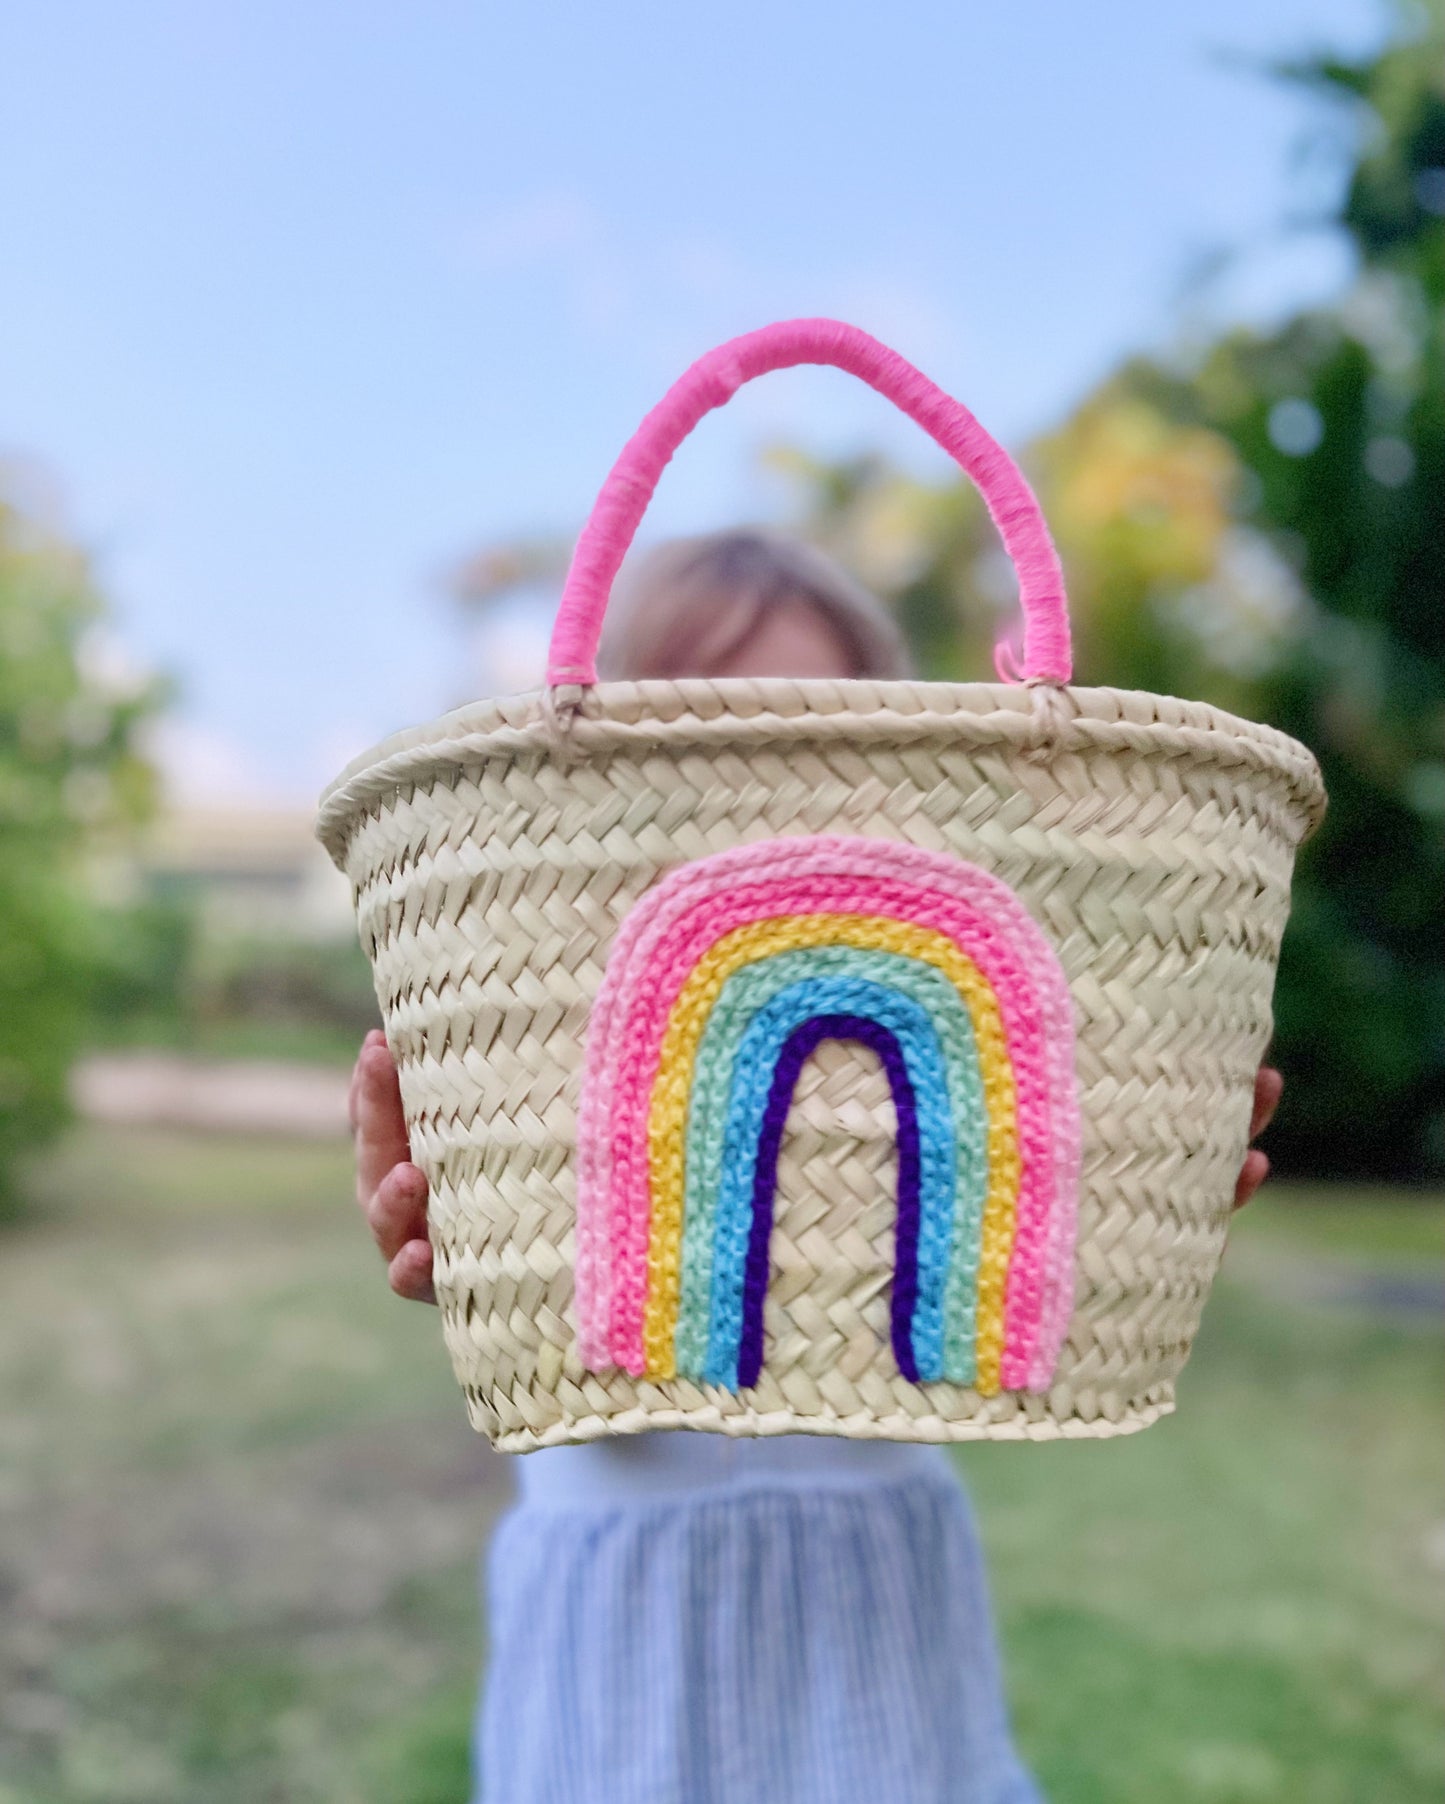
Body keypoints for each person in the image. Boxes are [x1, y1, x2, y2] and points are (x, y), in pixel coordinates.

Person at [349, 529, 1283, 1804]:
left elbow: (987, 1305)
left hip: (876, 1588)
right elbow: (532, 1298)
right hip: (624, 1601)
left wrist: (1130, 1182)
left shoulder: (937, 1001)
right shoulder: (549, 995)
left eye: (821, 739)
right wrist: (456, 1225)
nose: (777, 794)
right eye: (716, 733)